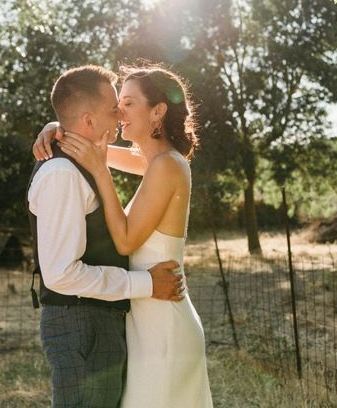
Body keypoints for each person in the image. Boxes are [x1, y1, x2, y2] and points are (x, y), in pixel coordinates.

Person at [33, 64, 213, 407]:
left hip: (163, 321)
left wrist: (100, 171)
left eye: (128, 103)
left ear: (157, 111)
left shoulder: (168, 166)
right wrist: (60, 129)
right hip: (143, 315)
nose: (118, 111)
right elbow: (92, 145)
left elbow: (127, 241)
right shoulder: (156, 161)